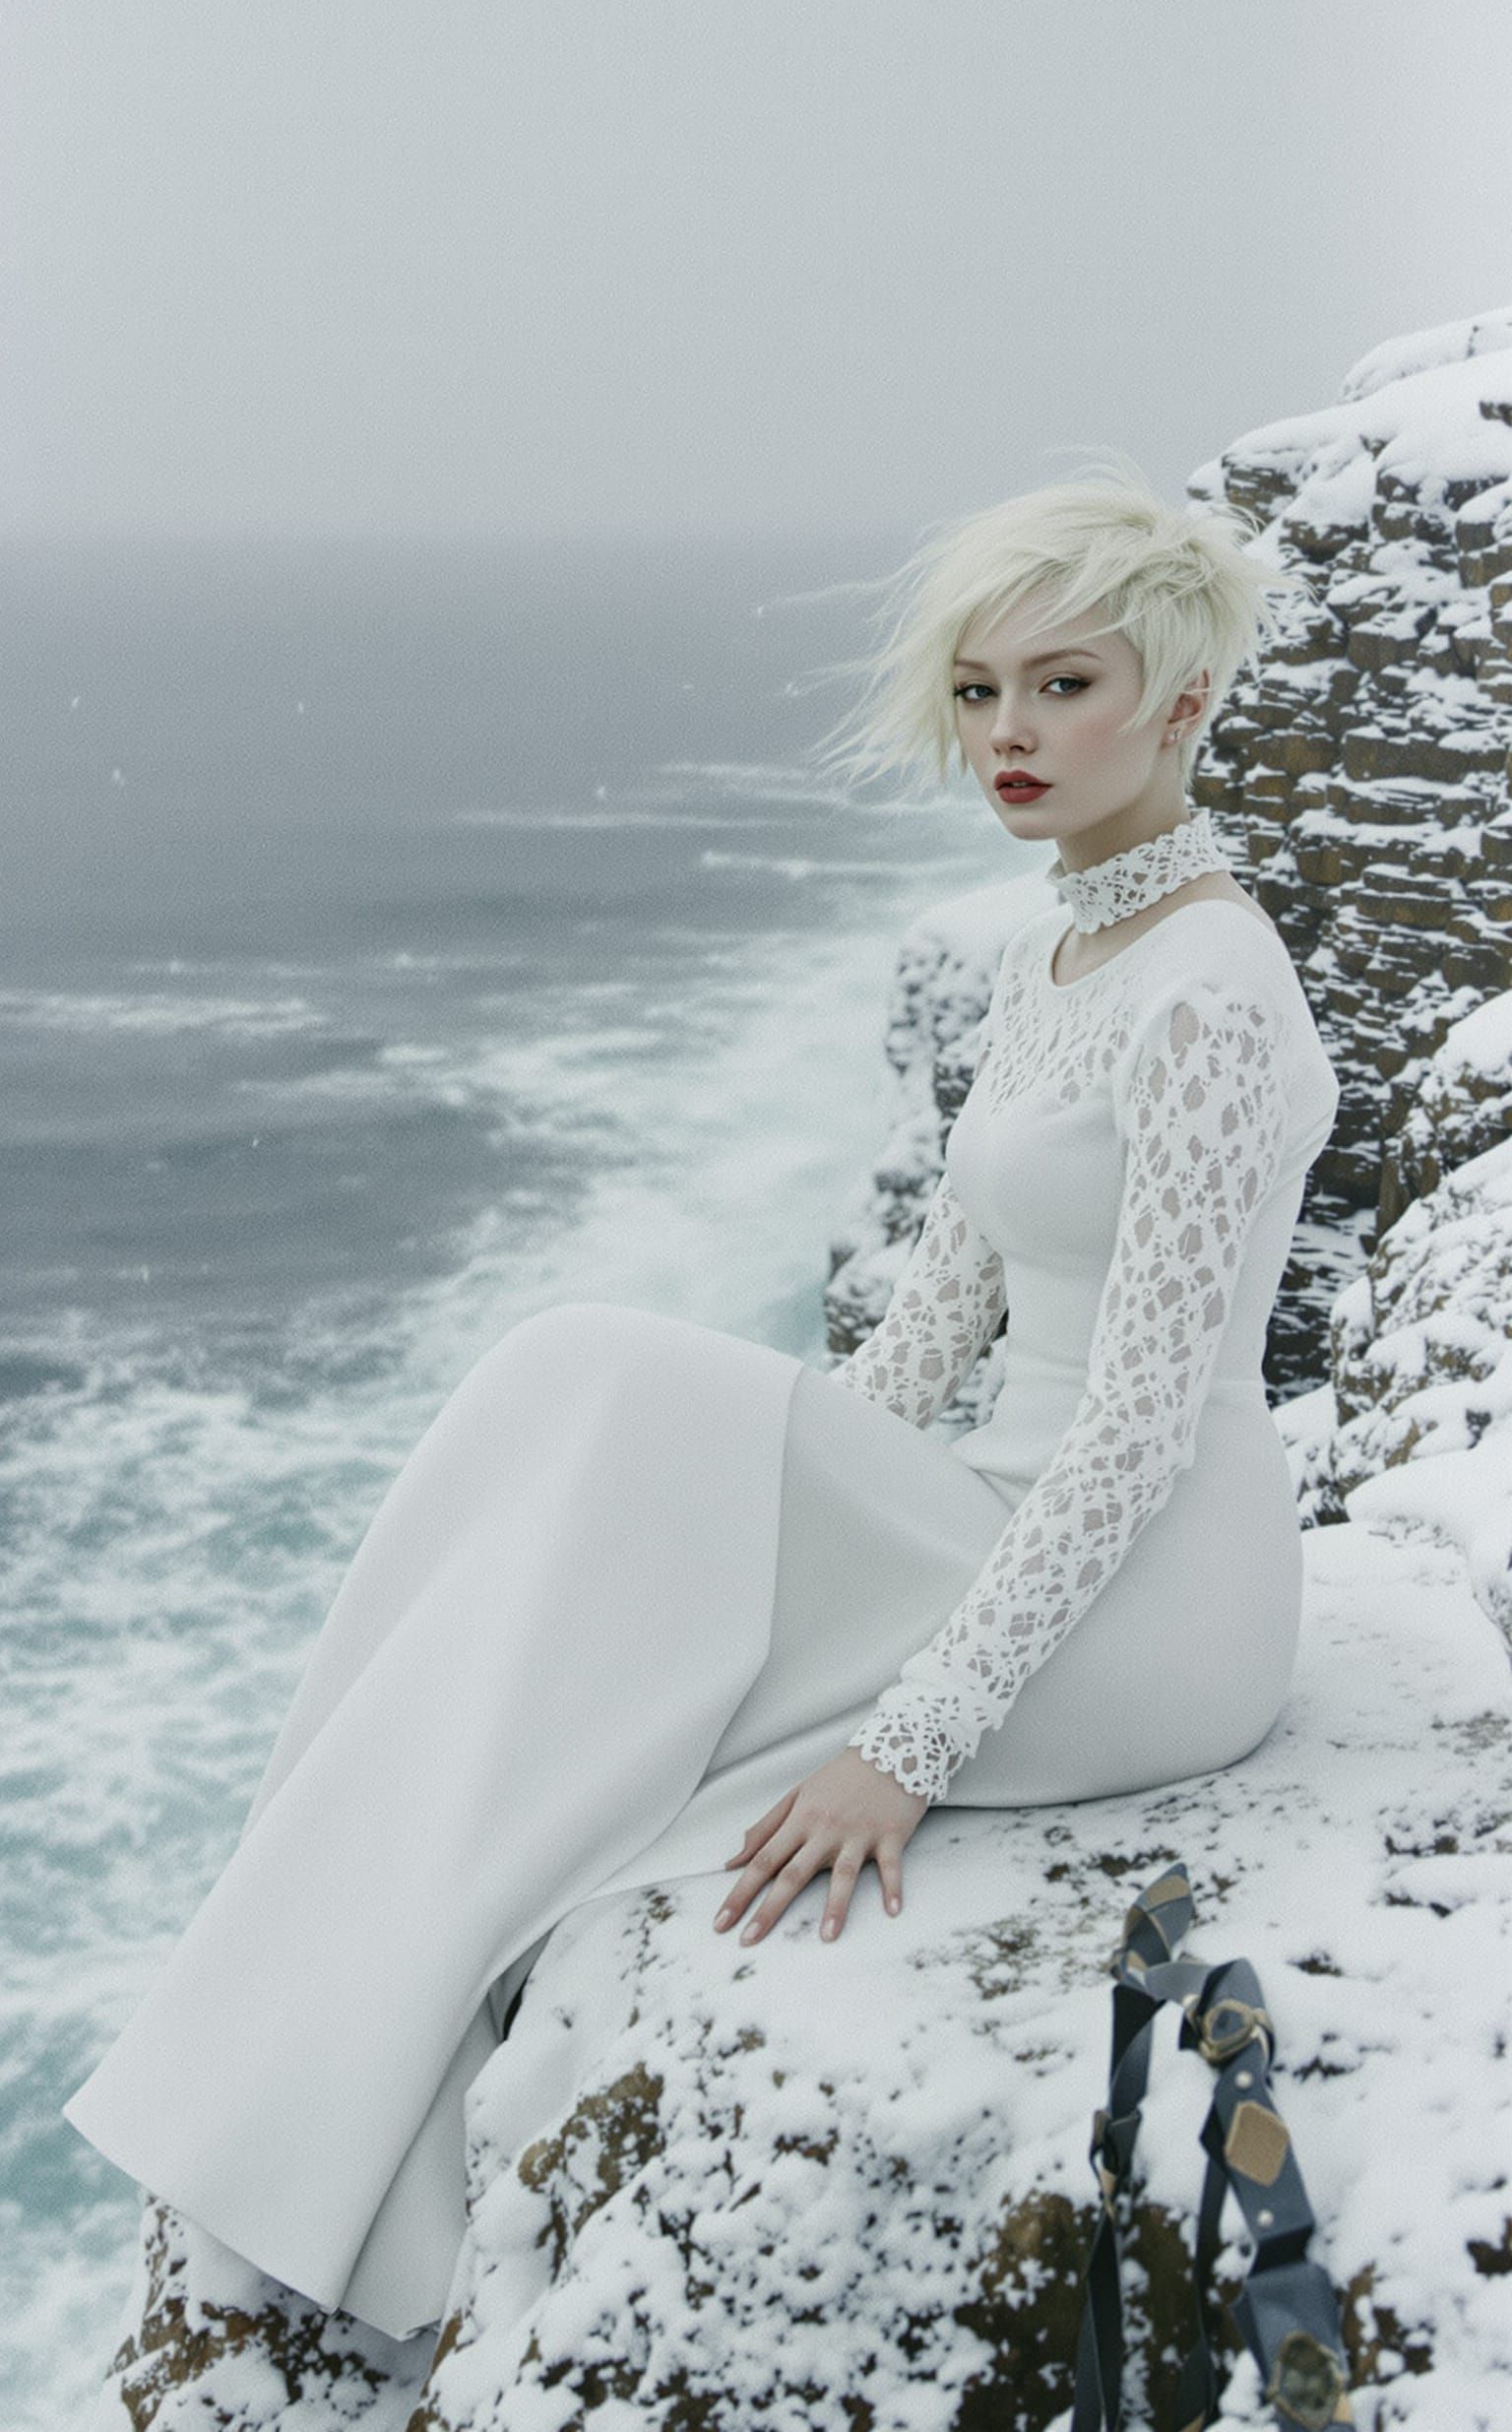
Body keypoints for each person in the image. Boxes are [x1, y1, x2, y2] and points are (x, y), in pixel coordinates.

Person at [60, 463, 1342, 2347]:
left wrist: (905, 1747)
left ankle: (305, 2086)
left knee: (589, 1387)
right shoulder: (1055, 949)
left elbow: (1142, 1430)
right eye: (979, 691)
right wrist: (758, 1489)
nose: (1006, 733)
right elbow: (931, 1324)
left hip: (1160, 1598)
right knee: (587, 1483)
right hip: (999, 1498)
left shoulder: (1209, 993)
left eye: (1064, 686)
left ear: (1183, 702)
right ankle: (294, 2036)